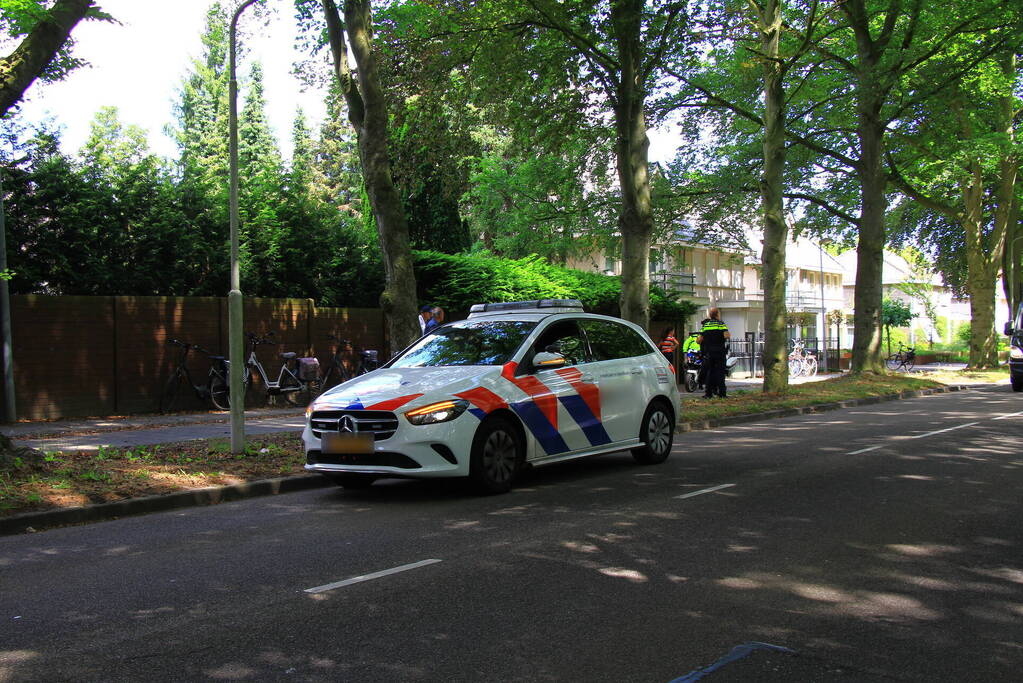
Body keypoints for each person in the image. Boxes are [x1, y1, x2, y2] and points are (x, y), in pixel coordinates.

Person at [697, 307, 730, 398]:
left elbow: (698, 340)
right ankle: (722, 393)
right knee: (720, 372)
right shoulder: (721, 324)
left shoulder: (706, 325)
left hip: (709, 353)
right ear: (717, 314)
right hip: (720, 352)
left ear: (710, 315)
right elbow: (727, 336)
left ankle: (708, 394)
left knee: (710, 372)